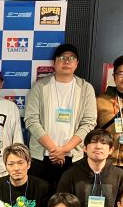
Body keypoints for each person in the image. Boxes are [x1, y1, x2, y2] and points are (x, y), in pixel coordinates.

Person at [24, 44, 97, 189]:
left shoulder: (86, 88)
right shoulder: (40, 86)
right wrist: (54, 149)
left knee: (69, 199)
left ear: (77, 63)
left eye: (71, 58)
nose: (67, 61)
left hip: (73, 157)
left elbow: (89, 122)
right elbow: (31, 119)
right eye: (62, 57)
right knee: (41, 198)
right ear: (54, 62)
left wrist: (64, 149)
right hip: (42, 157)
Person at [57, 129, 123, 207]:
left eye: (104, 143)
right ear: (85, 148)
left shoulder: (120, 176)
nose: (98, 146)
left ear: (111, 150)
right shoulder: (71, 175)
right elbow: (61, 206)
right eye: (93, 142)